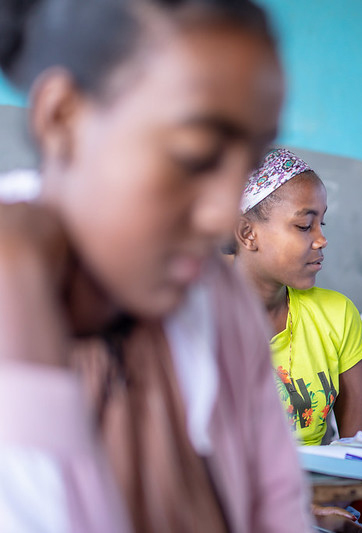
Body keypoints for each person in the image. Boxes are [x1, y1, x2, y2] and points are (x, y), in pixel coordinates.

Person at [0, 0, 315, 531]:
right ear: (62, 119)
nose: (221, 214)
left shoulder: (219, 297)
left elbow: (277, 504)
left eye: (250, 160)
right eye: (194, 156)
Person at [230, 148, 362, 446]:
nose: (321, 239)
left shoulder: (336, 314)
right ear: (247, 233)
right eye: (303, 226)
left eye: (321, 224)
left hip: (321, 492)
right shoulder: (192, 320)